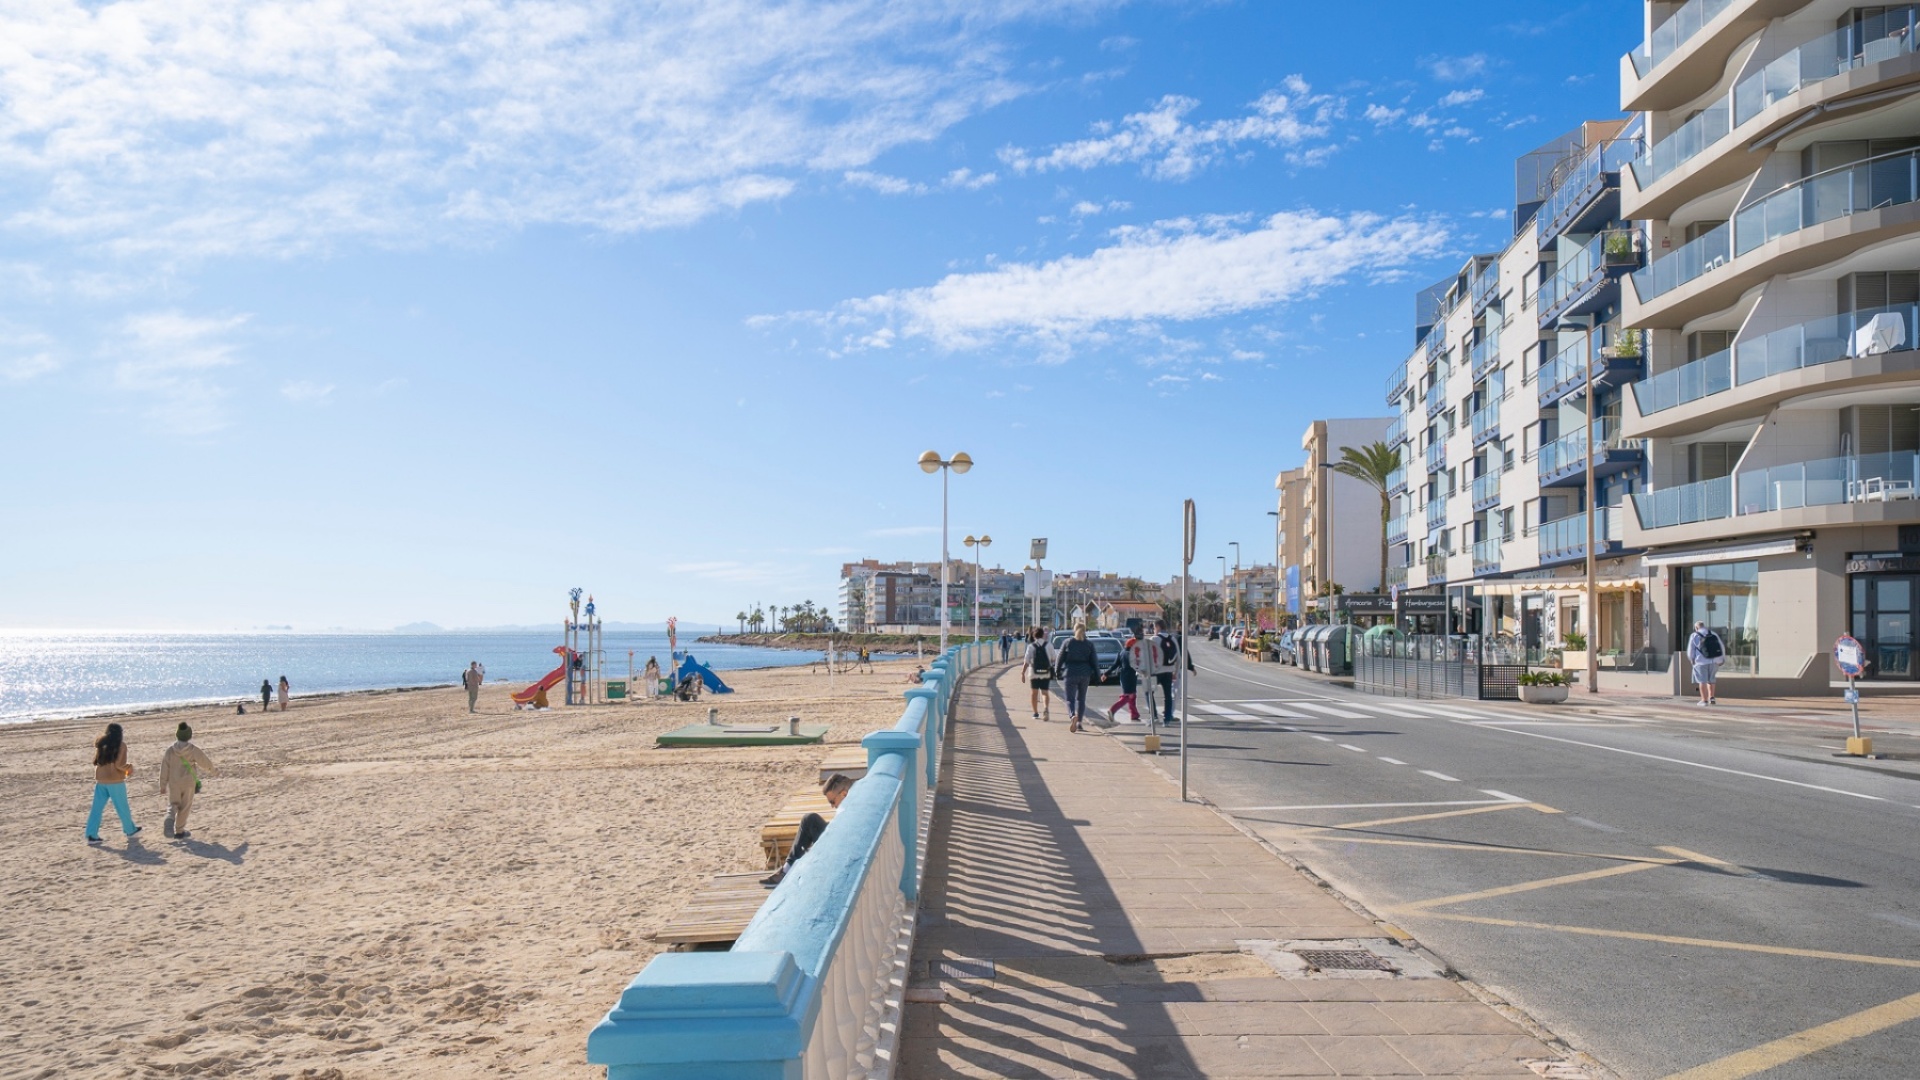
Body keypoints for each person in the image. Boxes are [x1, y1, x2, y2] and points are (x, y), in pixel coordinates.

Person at [762, 773, 854, 885]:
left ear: (844, 794)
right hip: (840, 844)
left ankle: (787, 870)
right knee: (810, 821)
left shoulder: (850, 808)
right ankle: (788, 869)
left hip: (840, 853)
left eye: (832, 802)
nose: (832, 806)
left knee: (810, 819)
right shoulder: (852, 802)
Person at [158, 722, 217, 839]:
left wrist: (162, 784)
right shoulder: (193, 749)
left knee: (173, 803)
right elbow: (204, 761)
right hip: (188, 783)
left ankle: (169, 817)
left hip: (174, 782)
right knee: (185, 807)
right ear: (189, 736)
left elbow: (164, 768)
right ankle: (179, 831)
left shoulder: (170, 750)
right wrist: (213, 770)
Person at [85, 722, 140, 843]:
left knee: (96, 809)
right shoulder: (121, 745)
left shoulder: (101, 743)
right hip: (115, 781)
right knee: (122, 807)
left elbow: (97, 761)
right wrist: (129, 768)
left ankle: (91, 834)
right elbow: (119, 765)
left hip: (101, 780)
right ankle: (130, 830)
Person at [1055, 627, 1100, 734]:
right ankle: (1079, 722)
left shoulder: (1068, 642)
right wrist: (1098, 676)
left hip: (1070, 673)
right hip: (1085, 674)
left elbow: (1060, 658)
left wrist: (1057, 671)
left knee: (1070, 699)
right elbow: (1094, 662)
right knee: (1081, 699)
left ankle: (1072, 715)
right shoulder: (1089, 644)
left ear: (1074, 630)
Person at [1686, 621, 1725, 706]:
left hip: (1700, 662)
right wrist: (1721, 659)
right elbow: (1721, 647)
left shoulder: (1694, 635)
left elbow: (1691, 650)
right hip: (1714, 661)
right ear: (1704, 626)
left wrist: (1691, 659)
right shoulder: (1713, 633)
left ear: (1696, 628)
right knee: (1711, 680)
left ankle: (1704, 700)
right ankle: (1712, 698)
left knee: (1702, 681)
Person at [1022, 628, 1053, 721]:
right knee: (1045, 692)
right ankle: (1045, 708)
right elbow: (1054, 658)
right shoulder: (1049, 645)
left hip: (1033, 673)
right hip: (1046, 673)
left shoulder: (1031, 646)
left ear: (1034, 636)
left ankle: (1035, 713)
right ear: (1043, 634)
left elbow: (1026, 661)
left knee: (1034, 693)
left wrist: (1022, 672)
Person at [1106, 646, 1140, 724]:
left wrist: (1106, 673)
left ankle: (1134, 714)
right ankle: (1112, 710)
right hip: (1130, 676)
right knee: (1129, 696)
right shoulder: (1131, 654)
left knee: (1132, 696)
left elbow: (1115, 665)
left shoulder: (1122, 652)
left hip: (1124, 676)